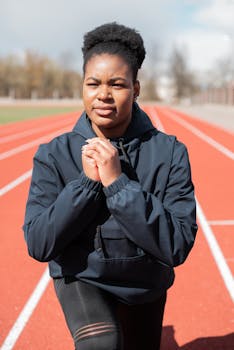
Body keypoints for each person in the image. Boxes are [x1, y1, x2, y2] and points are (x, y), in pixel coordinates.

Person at [23, 22, 197, 350]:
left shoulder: (170, 152)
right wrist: (86, 184)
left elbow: (177, 245)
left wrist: (117, 183)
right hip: (82, 276)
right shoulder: (53, 154)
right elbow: (39, 243)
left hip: (144, 282)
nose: (103, 94)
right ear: (82, 87)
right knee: (102, 344)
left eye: (117, 83)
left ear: (136, 89)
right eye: (94, 83)